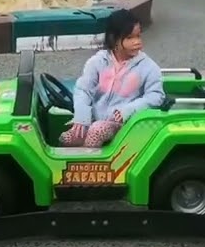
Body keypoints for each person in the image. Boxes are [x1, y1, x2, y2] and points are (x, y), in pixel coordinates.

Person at [60, 9, 164, 147]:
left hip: (124, 124)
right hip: (94, 118)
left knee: (97, 131)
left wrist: (129, 110)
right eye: (130, 38)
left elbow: (155, 96)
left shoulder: (148, 67)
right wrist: (81, 117)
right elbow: (84, 90)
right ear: (113, 38)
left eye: (138, 36)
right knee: (68, 137)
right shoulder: (98, 61)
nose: (137, 42)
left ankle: (90, 166)